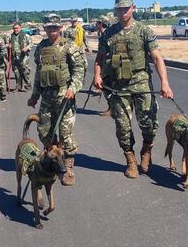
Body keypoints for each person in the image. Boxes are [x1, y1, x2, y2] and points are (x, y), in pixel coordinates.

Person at [93, 0, 174, 179]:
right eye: (119, 8)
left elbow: (156, 57)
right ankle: (130, 159)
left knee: (148, 123)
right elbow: (100, 58)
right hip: (118, 87)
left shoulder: (144, 31)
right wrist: (97, 76)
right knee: (122, 126)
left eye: (126, 8)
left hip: (141, 83)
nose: (122, 12)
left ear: (133, 8)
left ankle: (146, 150)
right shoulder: (108, 33)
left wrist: (165, 83)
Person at [27, 13, 85, 186]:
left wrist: (73, 88)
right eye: (48, 28)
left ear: (60, 28)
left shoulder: (69, 46)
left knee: (65, 134)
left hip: (64, 96)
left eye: (55, 27)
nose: (51, 31)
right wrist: (35, 95)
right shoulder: (41, 48)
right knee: (45, 132)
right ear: (44, 29)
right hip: (47, 97)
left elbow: (79, 69)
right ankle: (53, 163)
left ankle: (68, 169)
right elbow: (39, 73)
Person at [95, 15, 113, 117]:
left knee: (108, 87)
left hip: (109, 65)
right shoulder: (101, 34)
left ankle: (112, 108)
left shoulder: (108, 34)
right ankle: (112, 107)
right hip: (104, 64)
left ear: (101, 24)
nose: (96, 25)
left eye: (97, 23)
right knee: (106, 87)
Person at [9, 22, 32, 92]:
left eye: (17, 28)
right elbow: (8, 43)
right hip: (14, 56)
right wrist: (8, 45)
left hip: (23, 56)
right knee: (16, 72)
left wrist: (27, 47)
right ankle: (18, 86)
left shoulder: (26, 36)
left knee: (25, 72)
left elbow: (31, 43)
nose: (16, 29)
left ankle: (28, 86)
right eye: (14, 28)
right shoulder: (11, 36)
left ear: (20, 28)